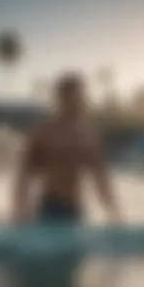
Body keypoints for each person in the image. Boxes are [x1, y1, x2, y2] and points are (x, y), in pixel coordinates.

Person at [13, 71, 122, 224]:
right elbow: (24, 174)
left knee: (75, 248)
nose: (80, 101)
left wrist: (114, 213)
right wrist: (18, 208)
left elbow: (100, 178)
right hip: (49, 207)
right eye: (75, 97)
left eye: (82, 96)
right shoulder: (43, 133)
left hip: (75, 208)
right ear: (61, 99)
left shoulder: (88, 136)